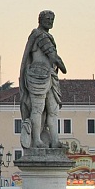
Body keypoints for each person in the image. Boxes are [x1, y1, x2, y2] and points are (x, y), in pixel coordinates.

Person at [19, 10, 66, 149]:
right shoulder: (39, 36)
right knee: (38, 109)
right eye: (47, 18)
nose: (50, 21)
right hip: (38, 76)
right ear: (40, 20)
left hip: (49, 76)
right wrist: (63, 67)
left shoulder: (45, 35)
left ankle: (55, 140)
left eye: (52, 19)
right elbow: (53, 56)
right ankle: (37, 140)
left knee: (52, 110)